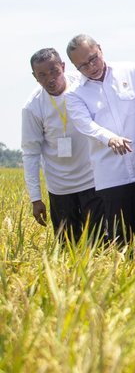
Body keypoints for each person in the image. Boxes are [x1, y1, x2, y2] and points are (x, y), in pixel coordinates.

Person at [65, 34, 135, 243]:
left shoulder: (130, 71)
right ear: (75, 67)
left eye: (93, 58)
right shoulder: (74, 94)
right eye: (83, 66)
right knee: (120, 238)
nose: (91, 67)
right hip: (112, 177)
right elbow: (86, 125)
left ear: (100, 49)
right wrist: (110, 138)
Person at [21, 48, 100, 242]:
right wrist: (35, 198)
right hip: (60, 188)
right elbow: (30, 153)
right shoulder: (32, 107)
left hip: (93, 180)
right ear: (35, 77)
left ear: (63, 67)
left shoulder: (84, 85)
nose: (50, 79)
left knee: (99, 244)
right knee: (67, 246)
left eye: (54, 71)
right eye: (42, 75)